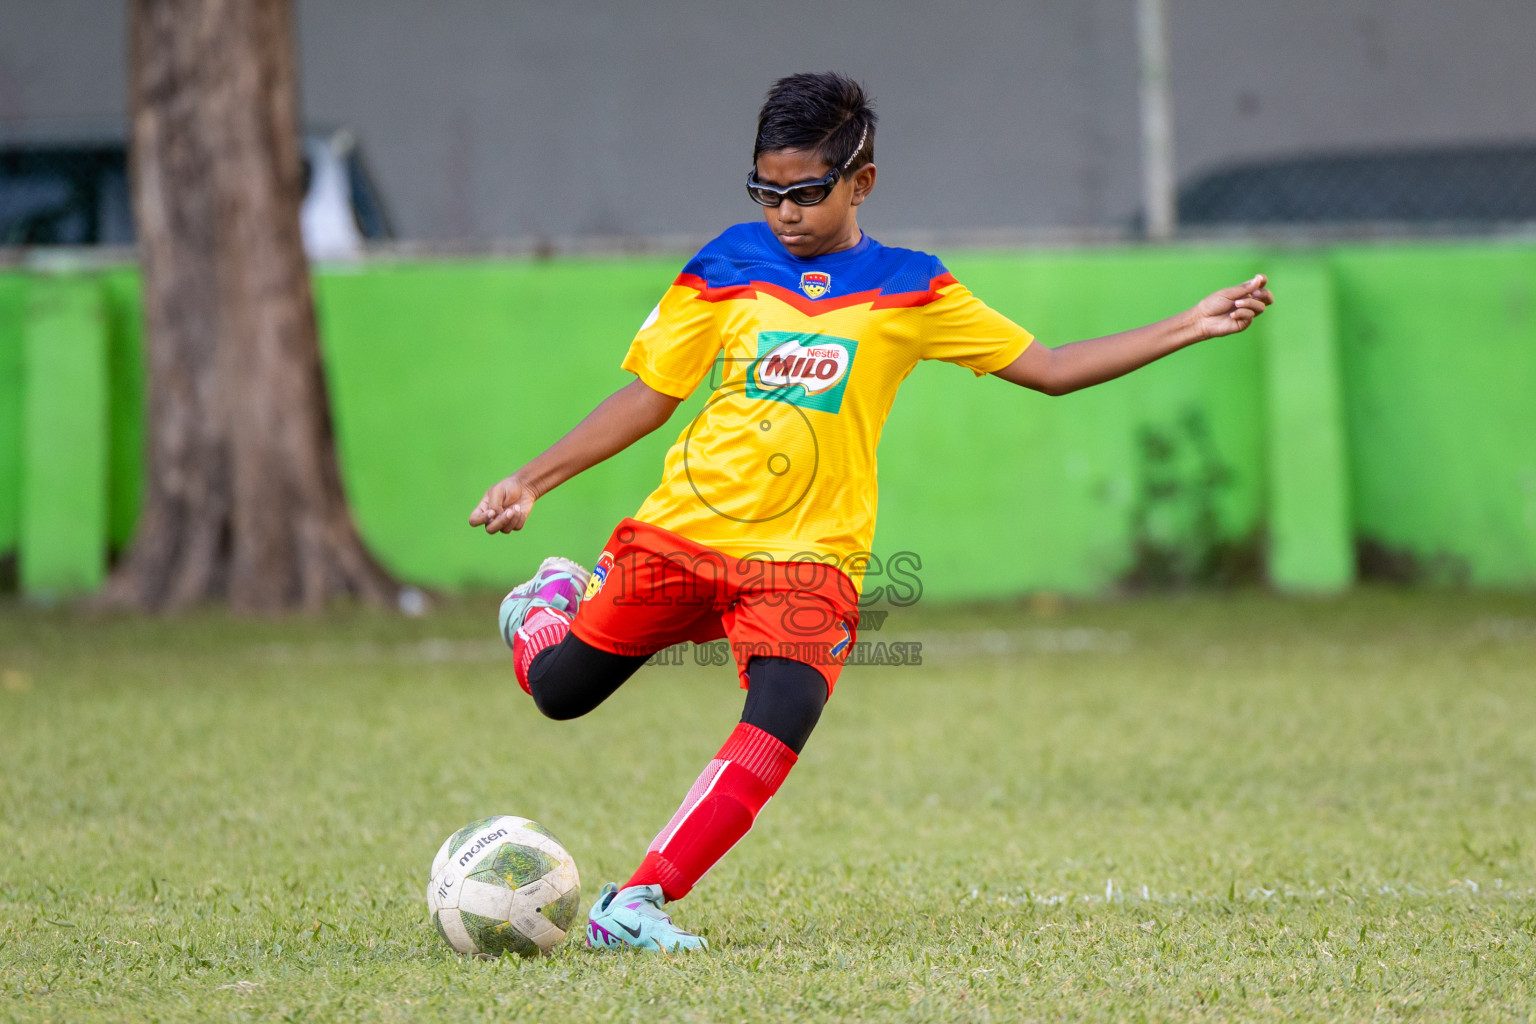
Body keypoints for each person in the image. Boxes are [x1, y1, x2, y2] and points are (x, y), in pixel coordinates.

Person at [468, 71, 1273, 952]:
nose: (785, 213)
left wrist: (1186, 325)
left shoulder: (913, 290)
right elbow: (647, 397)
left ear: (862, 182)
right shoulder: (724, 266)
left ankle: (639, 902)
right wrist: (533, 480)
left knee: (779, 721)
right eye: (766, 191)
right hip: (686, 534)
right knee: (560, 695)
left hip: (814, 558)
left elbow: (1050, 367)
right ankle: (545, 606)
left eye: (806, 193)